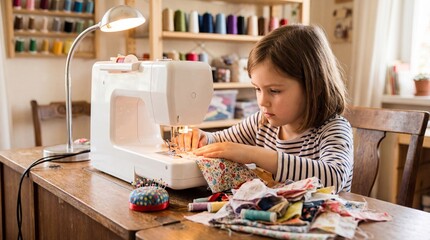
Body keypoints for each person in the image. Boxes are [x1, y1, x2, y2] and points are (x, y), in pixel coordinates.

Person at [175, 24, 353, 193]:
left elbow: (334, 178)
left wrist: (253, 154)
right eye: (257, 89)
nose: (262, 101)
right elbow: (219, 143)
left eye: (274, 91)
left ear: (313, 86)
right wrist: (202, 138)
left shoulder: (333, 129)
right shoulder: (261, 123)